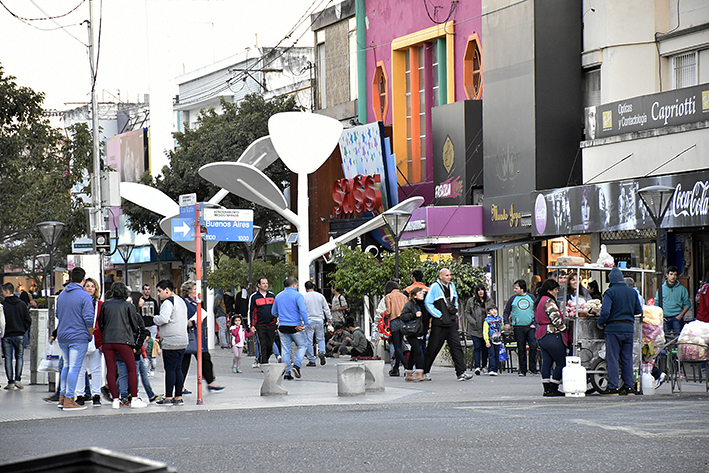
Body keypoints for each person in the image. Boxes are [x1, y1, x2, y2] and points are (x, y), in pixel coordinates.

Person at [98, 282, 149, 409]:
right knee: (132, 369)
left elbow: (101, 323)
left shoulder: (106, 305)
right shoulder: (128, 306)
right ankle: (134, 398)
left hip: (108, 340)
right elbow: (134, 324)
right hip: (124, 340)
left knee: (111, 369)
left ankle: (115, 399)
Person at [598, 267, 642, 396]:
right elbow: (638, 310)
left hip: (613, 330)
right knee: (627, 358)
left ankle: (613, 387)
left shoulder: (610, 292)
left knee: (612, 358)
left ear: (611, 280)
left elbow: (605, 312)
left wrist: (600, 323)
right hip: (629, 329)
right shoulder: (632, 292)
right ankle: (629, 387)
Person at [422, 268, 473, 382]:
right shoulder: (434, 287)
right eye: (446, 275)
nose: (449, 277)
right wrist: (438, 315)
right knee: (433, 348)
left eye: (450, 275)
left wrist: (454, 309)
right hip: (439, 324)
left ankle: (461, 372)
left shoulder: (452, 286)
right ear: (440, 276)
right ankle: (425, 371)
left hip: (451, 323)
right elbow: (427, 302)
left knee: (456, 347)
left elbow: (456, 299)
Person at [55, 267, 95, 410]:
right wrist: (90, 333)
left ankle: (62, 397)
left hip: (63, 336)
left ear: (71, 278)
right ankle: (69, 400)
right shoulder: (85, 296)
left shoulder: (62, 295)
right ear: (83, 280)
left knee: (66, 365)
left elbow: (58, 314)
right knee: (74, 367)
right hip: (78, 336)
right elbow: (89, 319)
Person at [180, 281, 224, 393]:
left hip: (198, 335)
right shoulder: (185, 303)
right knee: (185, 362)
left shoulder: (197, 303)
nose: (196, 291)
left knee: (205, 359)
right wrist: (192, 321)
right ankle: (180, 385)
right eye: (194, 289)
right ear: (188, 292)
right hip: (191, 336)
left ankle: (210, 381)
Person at [154, 279, 189, 406]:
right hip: (182, 340)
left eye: (159, 291)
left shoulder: (168, 302)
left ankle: (168, 396)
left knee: (170, 369)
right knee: (178, 368)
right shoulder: (181, 300)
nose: (158, 294)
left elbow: (163, 319)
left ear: (167, 290)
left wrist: (155, 318)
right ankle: (178, 396)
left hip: (171, 341)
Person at [534, 279, 567, 397]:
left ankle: (546, 389)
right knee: (561, 362)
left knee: (547, 362)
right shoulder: (549, 301)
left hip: (541, 335)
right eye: (555, 289)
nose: (557, 291)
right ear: (549, 290)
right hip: (552, 335)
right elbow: (556, 319)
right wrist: (564, 328)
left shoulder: (539, 301)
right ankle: (554, 387)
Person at [272, 276, 309, 380]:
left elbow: (273, 312)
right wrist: (305, 323)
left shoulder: (278, 296)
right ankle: (297, 365)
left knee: (285, 350)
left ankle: (287, 373)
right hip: (296, 326)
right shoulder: (298, 296)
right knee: (302, 345)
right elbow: (303, 310)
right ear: (294, 285)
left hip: (283, 326)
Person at [75, 277, 103, 406]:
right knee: (80, 369)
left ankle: (96, 394)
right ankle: (80, 394)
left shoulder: (101, 305)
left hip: (96, 339)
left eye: (93, 286)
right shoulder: (78, 302)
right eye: (88, 286)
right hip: (81, 338)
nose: (90, 288)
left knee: (96, 369)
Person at [502, 279, 538, 376]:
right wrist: (506, 322)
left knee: (533, 346)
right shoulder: (513, 299)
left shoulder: (531, 298)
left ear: (522, 289)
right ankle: (523, 370)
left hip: (530, 326)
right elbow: (506, 311)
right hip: (518, 327)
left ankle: (532, 368)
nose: (514, 290)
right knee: (521, 349)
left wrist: (535, 322)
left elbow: (537, 311)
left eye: (516, 288)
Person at [2, 283, 31, 390]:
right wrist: (22, 329)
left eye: (3, 291)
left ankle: (10, 381)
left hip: (7, 335)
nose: (2, 293)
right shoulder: (22, 304)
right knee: (19, 357)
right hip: (19, 334)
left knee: (8, 358)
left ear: (7, 291)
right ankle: (18, 379)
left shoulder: (3, 305)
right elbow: (28, 320)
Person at [464, 283, 493, 375]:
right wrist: (473, 321)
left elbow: (493, 311)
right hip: (475, 328)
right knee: (477, 347)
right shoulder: (471, 301)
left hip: (486, 329)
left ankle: (484, 365)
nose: (481, 292)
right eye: (479, 290)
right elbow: (467, 313)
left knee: (485, 348)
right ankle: (477, 366)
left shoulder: (489, 301)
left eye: (482, 290)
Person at [248, 277, 277, 367]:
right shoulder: (254, 297)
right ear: (259, 285)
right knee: (262, 344)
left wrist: (277, 322)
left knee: (270, 344)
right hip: (259, 325)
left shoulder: (272, 296)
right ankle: (264, 363)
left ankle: (262, 359)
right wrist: (251, 325)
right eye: (263, 283)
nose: (265, 285)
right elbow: (250, 311)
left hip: (271, 324)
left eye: (266, 283)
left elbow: (276, 309)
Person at [654, 266, 691, 336]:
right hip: (665, 318)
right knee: (665, 340)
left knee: (678, 339)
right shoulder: (661, 289)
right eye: (671, 274)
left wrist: (680, 315)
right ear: (667, 275)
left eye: (675, 274)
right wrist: (660, 316)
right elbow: (656, 303)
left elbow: (687, 304)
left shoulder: (682, 289)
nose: (673, 276)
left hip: (677, 317)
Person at [303, 281, 331, 366]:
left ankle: (312, 359)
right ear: (313, 287)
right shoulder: (320, 296)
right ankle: (322, 352)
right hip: (319, 319)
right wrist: (329, 318)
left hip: (309, 320)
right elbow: (326, 308)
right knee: (320, 338)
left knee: (309, 340)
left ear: (305, 288)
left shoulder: (304, 297)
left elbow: (302, 310)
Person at [400, 287, 425, 381]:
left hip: (419, 331)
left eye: (422, 293)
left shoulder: (421, 304)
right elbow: (402, 316)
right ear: (414, 296)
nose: (422, 295)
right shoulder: (409, 305)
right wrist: (414, 315)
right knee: (418, 351)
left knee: (413, 352)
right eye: (419, 293)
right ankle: (419, 373)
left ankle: (408, 374)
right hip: (411, 332)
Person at [385, 281, 408, 377]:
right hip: (403, 321)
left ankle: (407, 367)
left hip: (394, 321)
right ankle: (396, 368)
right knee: (400, 344)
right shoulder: (404, 297)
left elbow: (388, 311)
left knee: (397, 346)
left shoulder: (388, 297)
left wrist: (385, 314)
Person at [483, 305, 504, 376]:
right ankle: (491, 369)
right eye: (491, 310)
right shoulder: (487, 320)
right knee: (492, 354)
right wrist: (487, 341)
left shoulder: (499, 319)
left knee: (497, 354)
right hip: (491, 339)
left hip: (498, 339)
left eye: (495, 309)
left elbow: (501, 327)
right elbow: (485, 331)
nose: (494, 311)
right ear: (489, 311)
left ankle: (495, 369)